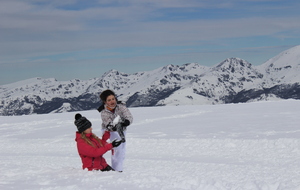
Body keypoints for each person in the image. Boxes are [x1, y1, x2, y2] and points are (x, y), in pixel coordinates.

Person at [98, 90, 133, 172]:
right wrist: (114, 126)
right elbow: (108, 124)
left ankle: (119, 166)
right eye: (109, 100)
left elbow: (129, 117)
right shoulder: (104, 112)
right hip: (110, 132)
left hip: (122, 130)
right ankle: (117, 169)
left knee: (122, 149)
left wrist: (125, 122)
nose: (112, 101)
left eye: (113, 99)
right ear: (105, 102)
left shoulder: (121, 107)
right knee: (117, 150)